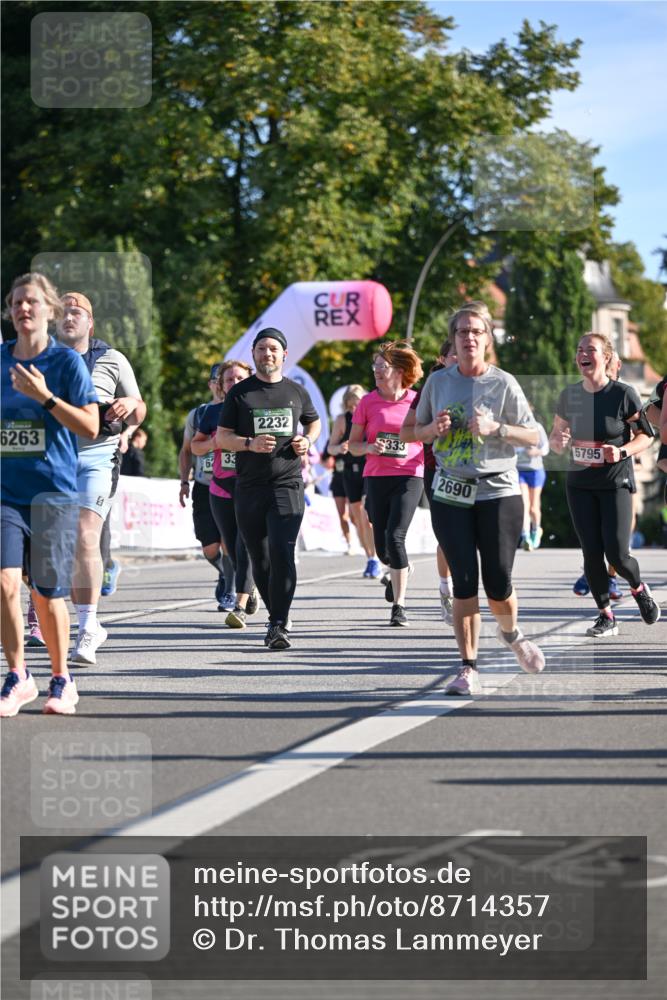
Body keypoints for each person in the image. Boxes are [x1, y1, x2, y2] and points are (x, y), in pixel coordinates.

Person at [414, 301, 545, 695]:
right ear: (453, 340)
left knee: (498, 581)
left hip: (498, 490)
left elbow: (533, 435)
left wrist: (496, 427)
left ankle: (511, 634)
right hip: (450, 490)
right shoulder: (438, 382)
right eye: (462, 332)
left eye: (476, 331)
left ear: (487, 339)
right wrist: (430, 430)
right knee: (464, 581)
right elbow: (410, 431)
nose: (469, 337)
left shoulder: (503, 383)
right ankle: (467, 666)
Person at [1, 273, 98, 717]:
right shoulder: (0, 361)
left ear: (50, 310)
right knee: (4, 582)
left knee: (45, 592)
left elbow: (90, 426)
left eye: (32, 301)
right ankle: (18, 675)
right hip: (5, 492)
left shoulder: (66, 363)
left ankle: (62, 678)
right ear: (9, 311)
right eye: (17, 302)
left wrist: (44, 397)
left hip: (51, 494)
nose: (24, 308)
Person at [55, 292, 146, 666]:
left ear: (90, 323)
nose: (69, 316)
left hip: (98, 455)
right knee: (59, 546)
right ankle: (76, 620)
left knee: (85, 534)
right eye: (62, 311)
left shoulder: (113, 359)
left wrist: (130, 406)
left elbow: (139, 407)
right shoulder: (42, 358)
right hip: (55, 458)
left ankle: (87, 628)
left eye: (77, 311)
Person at [217, 328, 321, 650]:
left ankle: (278, 623)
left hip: (287, 483)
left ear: (284, 354)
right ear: (254, 354)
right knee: (259, 558)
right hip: (249, 486)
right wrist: (249, 443)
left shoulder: (295, 391)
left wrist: (307, 439)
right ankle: (276, 612)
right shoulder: (240, 393)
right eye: (261, 348)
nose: (267, 354)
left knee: (281, 550)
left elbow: (313, 421)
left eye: (273, 348)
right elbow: (222, 437)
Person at [549, 332, 659, 637]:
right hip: (580, 484)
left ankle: (638, 588)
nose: (583, 354)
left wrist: (621, 451)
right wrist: (558, 441)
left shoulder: (623, 394)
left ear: (606, 357)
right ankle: (605, 615)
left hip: (614, 482)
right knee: (591, 553)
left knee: (618, 555)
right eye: (579, 349)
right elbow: (556, 437)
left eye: (591, 349)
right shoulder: (569, 395)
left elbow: (646, 436)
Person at [348, 342, 425, 627]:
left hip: (409, 474)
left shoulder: (416, 400)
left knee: (395, 536)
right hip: (377, 476)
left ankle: (399, 606)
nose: (377, 371)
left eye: (383, 367)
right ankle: (400, 568)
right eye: (375, 367)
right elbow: (352, 445)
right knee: (383, 549)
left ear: (400, 371)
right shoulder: (367, 402)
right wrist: (369, 448)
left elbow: (427, 434)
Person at [193, 360, 258, 629]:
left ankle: (240, 604)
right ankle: (249, 588)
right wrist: (215, 442)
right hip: (220, 487)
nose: (234, 383)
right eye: (229, 379)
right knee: (230, 547)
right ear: (221, 385)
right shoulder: (211, 412)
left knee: (246, 545)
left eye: (240, 378)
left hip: (252, 486)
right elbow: (196, 447)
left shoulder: (258, 409)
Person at [401, 340, 458, 624]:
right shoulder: (430, 388)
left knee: (472, 536)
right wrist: (432, 429)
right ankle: (446, 588)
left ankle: (466, 587)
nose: (460, 358)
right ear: (442, 358)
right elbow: (407, 432)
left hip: (475, 471)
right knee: (448, 535)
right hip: (438, 470)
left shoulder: (484, 383)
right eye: (453, 354)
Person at [178, 364, 235, 611]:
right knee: (210, 548)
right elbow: (186, 450)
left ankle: (232, 589)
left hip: (231, 484)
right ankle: (226, 572)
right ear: (213, 384)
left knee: (228, 541)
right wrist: (183, 481)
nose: (221, 385)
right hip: (204, 484)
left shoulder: (242, 410)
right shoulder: (199, 414)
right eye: (217, 380)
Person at [328, 384, 380, 576]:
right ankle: (370, 558)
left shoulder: (371, 416)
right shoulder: (342, 420)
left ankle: (376, 556)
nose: (355, 407)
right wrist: (339, 448)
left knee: (367, 517)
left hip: (369, 468)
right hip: (349, 471)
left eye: (358, 403)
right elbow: (331, 448)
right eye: (351, 404)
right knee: (357, 517)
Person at [516, 407, 550, 551]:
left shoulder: (537, 427)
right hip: (520, 470)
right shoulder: (515, 428)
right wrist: (521, 450)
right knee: (524, 505)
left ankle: (536, 530)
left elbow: (546, 447)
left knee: (533, 507)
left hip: (535, 470)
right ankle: (525, 537)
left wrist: (537, 451)